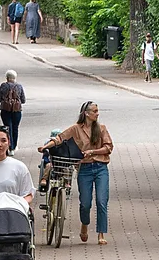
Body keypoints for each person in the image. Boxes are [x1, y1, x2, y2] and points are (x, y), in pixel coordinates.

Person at [41, 101, 114, 244]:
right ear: (86, 113)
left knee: (101, 201)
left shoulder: (101, 128)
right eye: (95, 111)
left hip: (100, 167)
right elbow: (60, 138)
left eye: (97, 111)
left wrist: (93, 151)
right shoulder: (76, 128)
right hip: (84, 169)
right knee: (85, 203)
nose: (97, 114)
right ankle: (84, 225)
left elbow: (109, 147)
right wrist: (45, 147)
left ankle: (101, 234)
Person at [0, 70, 26, 155]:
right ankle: (14, 146)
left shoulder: (3, 86)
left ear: (7, 78)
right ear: (15, 77)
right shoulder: (19, 86)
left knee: (8, 128)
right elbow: (23, 100)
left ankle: (10, 147)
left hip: (5, 110)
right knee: (15, 128)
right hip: (17, 110)